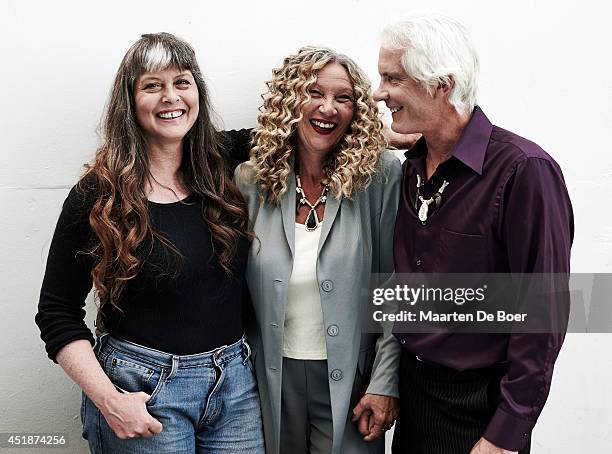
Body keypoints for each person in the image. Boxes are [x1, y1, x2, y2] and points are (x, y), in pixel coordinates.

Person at [35, 33, 264, 453]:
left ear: (198, 91)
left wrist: (389, 140)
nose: (170, 97)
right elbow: (56, 312)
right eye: (152, 85)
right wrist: (110, 401)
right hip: (142, 390)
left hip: (234, 386)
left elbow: (305, 136)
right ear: (130, 100)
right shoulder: (98, 194)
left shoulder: (222, 161)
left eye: (182, 82)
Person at [372, 14, 574, 454]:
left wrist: (505, 434)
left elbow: (543, 312)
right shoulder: (411, 168)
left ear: (441, 84)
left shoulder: (525, 171)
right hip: (416, 397)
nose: (379, 92)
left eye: (393, 78)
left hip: (480, 409)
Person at [234, 46, 402, 454]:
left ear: (356, 110)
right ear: (289, 99)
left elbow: (396, 287)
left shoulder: (379, 176)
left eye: (343, 98)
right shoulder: (251, 181)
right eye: (312, 92)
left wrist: (385, 382)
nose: (327, 108)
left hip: (354, 382)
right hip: (271, 379)